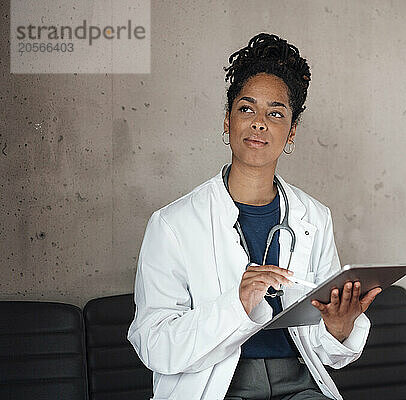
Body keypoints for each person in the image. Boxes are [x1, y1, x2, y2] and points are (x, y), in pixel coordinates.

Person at [127, 32, 381, 400]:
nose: (259, 122)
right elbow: (153, 343)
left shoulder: (314, 217)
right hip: (217, 384)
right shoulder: (173, 225)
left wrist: (338, 328)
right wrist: (238, 303)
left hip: (300, 383)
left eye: (275, 113)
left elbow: (324, 349)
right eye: (247, 109)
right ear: (227, 121)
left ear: (291, 132)